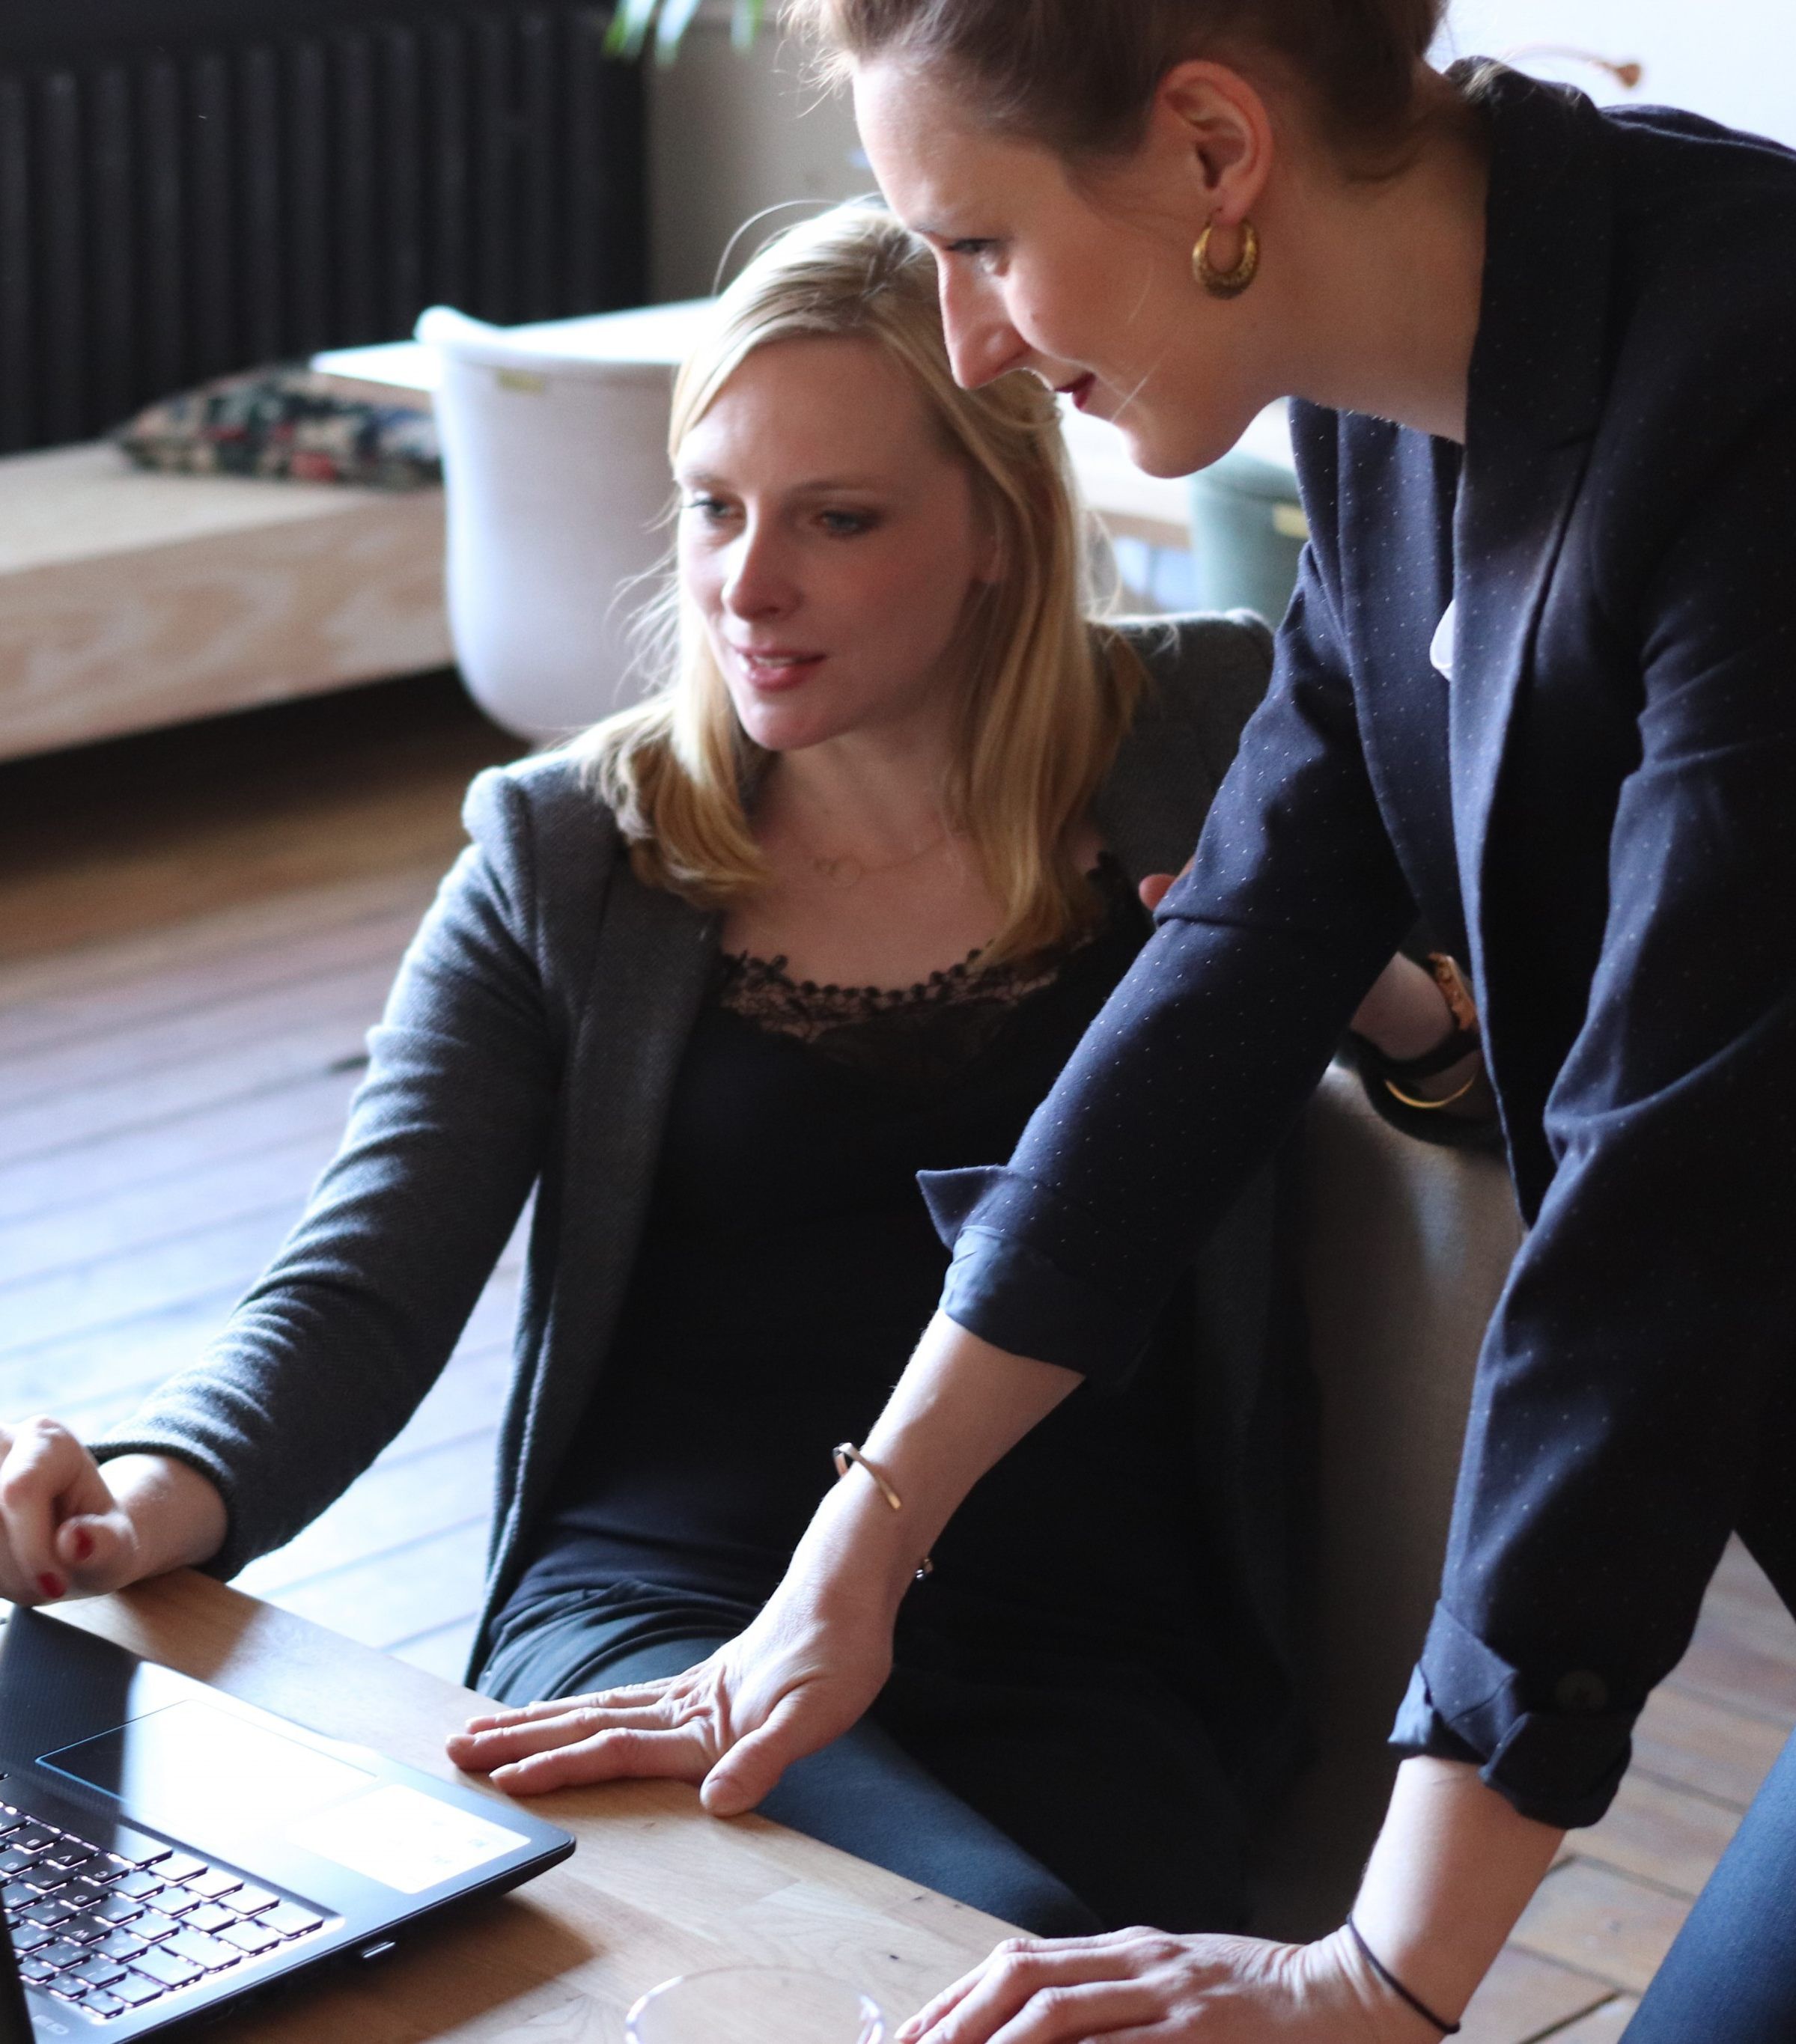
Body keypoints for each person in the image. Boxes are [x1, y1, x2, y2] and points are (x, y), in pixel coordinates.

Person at [543, 7, 1796, 2040]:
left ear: (1210, 148)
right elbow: (1238, 952)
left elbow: (1674, 1201)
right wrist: (852, 1554)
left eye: (980, 243)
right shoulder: (1396, 399)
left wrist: (1381, 1971)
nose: (968, 344)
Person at [0, 201, 1482, 1941]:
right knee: (925, 1941)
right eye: (713, 506)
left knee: (1001, 1950)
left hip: (1096, 1638)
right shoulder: (571, 850)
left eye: (836, 519)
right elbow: (361, 1288)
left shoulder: (1215, 730)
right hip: (659, 1607)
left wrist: (1373, 997)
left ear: (998, 527)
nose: (745, 585)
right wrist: (144, 1494)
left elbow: (1503, 1098)